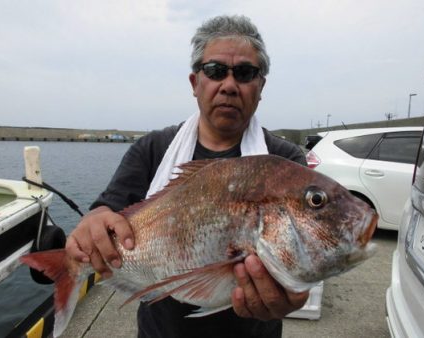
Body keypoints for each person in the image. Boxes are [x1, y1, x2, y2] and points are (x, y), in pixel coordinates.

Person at [66, 14, 309, 338]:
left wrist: (293, 291)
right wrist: (93, 222)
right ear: (196, 83)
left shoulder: (285, 162)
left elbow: (302, 247)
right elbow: (107, 210)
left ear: (260, 86)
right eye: (215, 71)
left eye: (245, 73)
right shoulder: (152, 149)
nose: (229, 85)